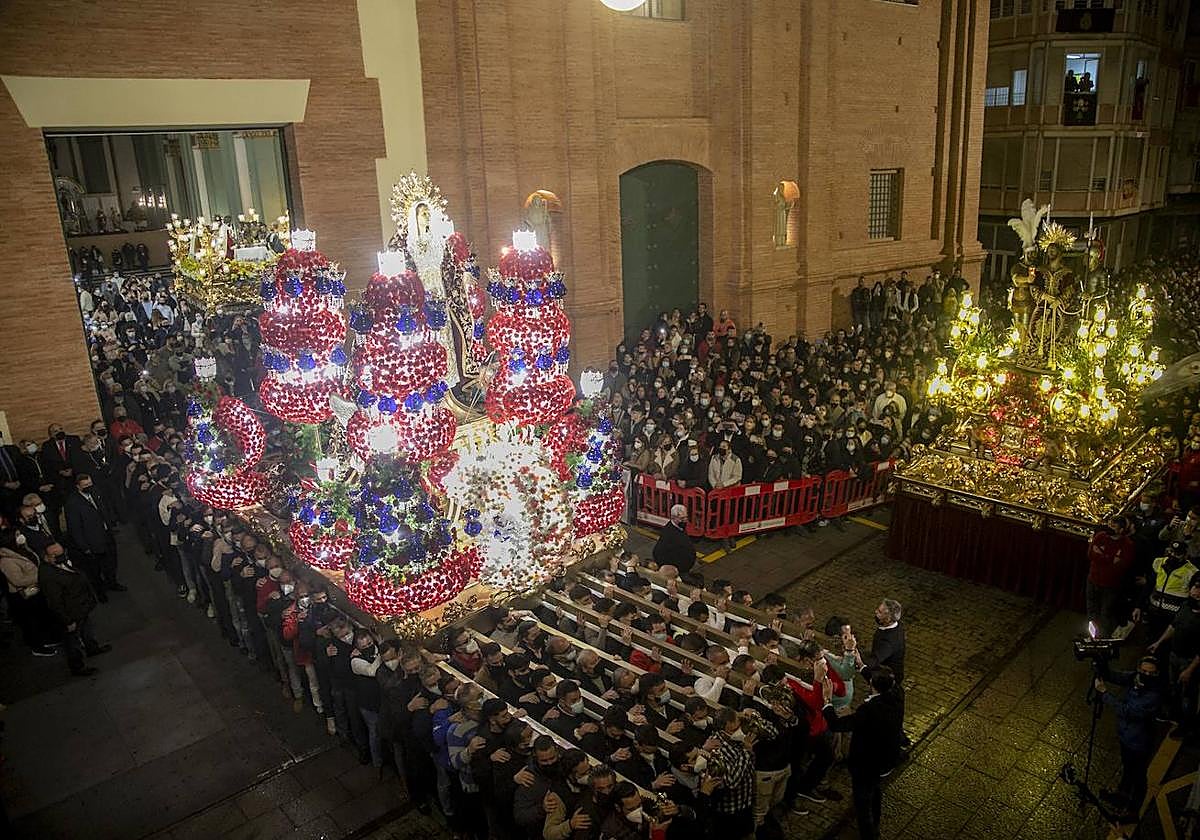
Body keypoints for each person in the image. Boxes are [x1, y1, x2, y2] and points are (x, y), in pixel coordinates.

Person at [821, 666, 904, 840]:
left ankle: (869, 833)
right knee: (875, 789)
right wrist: (861, 666)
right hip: (886, 757)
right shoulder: (897, 695)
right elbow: (882, 682)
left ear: (872, 684)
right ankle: (876, 821)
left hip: (866, 763)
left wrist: (827, 701)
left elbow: (838, 725)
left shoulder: (868, 711)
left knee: (862, 801)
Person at [1095, 657, 1164, 818]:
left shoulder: (1154, 695)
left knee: (1139, 776)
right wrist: (1101, 659)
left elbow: (1129, 712)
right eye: (1144, 671)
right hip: (1126, 737)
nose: (1146, 675)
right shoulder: (1135, 677)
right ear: (1139, 669)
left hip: (1140, 742)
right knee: (1127, 769)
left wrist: (1104, 694)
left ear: (1157, 674)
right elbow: (1113, 675)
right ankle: (1121, 794)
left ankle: (1133, 810)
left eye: (1151, 673)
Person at [38, 542, 111, 676]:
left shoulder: (61, 564)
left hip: (80, 607)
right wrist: (67, 621)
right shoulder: (48, 575)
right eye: (56, 555)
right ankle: (77, 666)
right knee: (72, 641)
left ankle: (92, 648)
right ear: (47, 557)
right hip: (70, 613)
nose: (60, 557)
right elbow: (55, 602)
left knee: (87, 630)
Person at [1148, 572, 1200, 739]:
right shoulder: (1186, 605)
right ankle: (1174, 715)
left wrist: (1190, 670)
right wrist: (1159, 642)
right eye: (1194, 586)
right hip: (1174, 655)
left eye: (1199, 588)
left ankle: (1187, 727)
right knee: (1174, 687)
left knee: (1188, 696)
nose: (1194, 590)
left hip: (1189, 661)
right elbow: (1174, 626)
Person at [64, 472, 123, 595]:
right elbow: (75, 528)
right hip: (92, 541)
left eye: (90, 483)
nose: (89, 486)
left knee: (111, 562)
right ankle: (100, 592)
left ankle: (112, 582)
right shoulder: (72, 503)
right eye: (85, 485)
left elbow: (104, 508)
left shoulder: (96, 492)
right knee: (95, 569)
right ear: (78, 486)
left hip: (106, 534)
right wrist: (84, 547)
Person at [862, 598, 908, 750]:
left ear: (888, 618)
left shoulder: (889, 642)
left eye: (880, 612)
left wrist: (857, 659)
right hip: (889, 674)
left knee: (886, 709)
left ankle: (894, 738)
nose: (876, 612)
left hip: (887, 678)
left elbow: (875, 660)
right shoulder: (895, 627)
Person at [1087, 517, 1136, 637]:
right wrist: (1110, 558)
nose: (1109, 528)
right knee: (1092, 610)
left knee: (1106, 613)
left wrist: (1101, 556)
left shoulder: (1127, 545)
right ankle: (1092, 635)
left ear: (1121, 530)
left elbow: (1121, 566)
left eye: (1113, 527)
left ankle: (1103, 638)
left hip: (1110, 585)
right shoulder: (1100, 536)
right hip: (1093, 579)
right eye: (1109, 525)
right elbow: (1091, 554)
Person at [652, 504, 697, 575]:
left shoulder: (679, 527)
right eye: (682, 518)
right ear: (673, 517)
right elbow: (658, 552)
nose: (685, 520)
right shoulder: (668, 533)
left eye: (686, 517)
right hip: (678, 570)